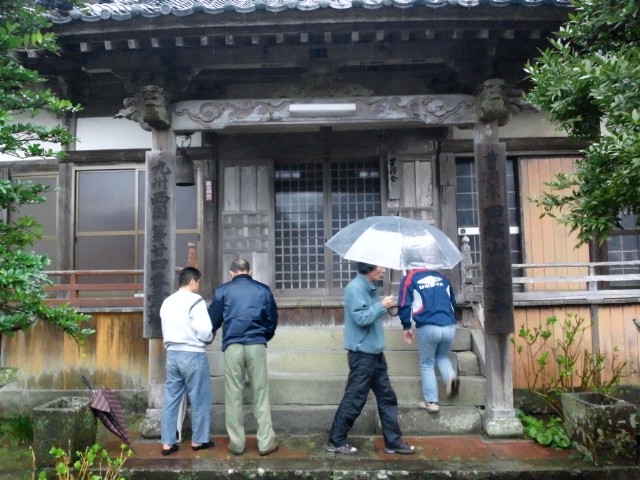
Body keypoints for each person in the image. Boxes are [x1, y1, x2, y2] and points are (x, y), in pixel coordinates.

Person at [326, 262, 415, 456]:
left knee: (387, 397)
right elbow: (361, 319)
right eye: (379, 267)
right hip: (362, 353)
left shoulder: (369, 287)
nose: (382, 270)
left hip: (374, 352)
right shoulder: (355, 288)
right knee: (355, 398)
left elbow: (369, 313)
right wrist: (381, 306)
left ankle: (393, 442)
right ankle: (336, 440)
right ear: (368, 268)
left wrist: (382, 305)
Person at [208, 258, 279, 456]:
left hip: (233, 345)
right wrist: (263, 336)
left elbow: (213, 320)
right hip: (256, 344)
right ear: (250, 271)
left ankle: (237, 443)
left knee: (233, 394)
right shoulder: (263, 290)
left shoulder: (222, 291)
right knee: (261, 393)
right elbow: (272, 320)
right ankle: (265, 442)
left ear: (231, 272)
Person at [160, 266, 215, 456]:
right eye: (197, 282)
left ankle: (167, 443)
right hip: (193, 354)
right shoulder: (195, 300)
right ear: (192, 281)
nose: (198, 285)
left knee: (171, 399)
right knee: (199, 398)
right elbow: (205, 330)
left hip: (172, 354)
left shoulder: (167, 302)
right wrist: (207, 338)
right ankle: (198, 440)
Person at [397, 268, 459, 414]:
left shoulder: (410, 278)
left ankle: (431, 402)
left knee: (427, 363)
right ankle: (450, 378)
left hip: (428, 326)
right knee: (442, 356)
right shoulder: (442, 277)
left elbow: (404, 304)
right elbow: (452, 301)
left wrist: (406, 326)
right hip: (449, 325)